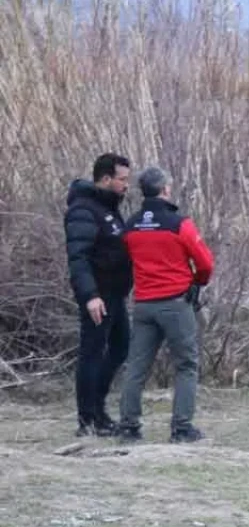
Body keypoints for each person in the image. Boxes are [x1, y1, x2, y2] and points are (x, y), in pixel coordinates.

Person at [115, 167, 215, 443]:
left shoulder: (131, 226)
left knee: (136, 367)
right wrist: (197, 281)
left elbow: (123, 262)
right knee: (186, 365)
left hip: (144, 304)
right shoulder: (179, 224)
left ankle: (128, 426)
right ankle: (181, 428)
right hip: (174, 303)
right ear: (165, 190)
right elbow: (205, 263)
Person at [64, 152, 133, 437]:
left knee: (120, 347)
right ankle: (87, 420)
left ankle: (99, 409)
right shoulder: (83, 209)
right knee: (92, 353)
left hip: (115, 294)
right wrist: (90, 295)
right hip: (98, 296)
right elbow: (78, 258)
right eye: (122, 179)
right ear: (106, 179)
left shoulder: (108, 207)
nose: (126, 185)